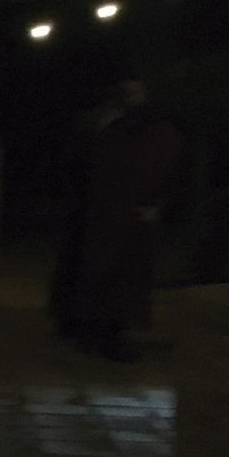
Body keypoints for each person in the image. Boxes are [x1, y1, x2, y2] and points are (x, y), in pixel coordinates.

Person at [56, 80, 185, 361]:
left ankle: (105, 333)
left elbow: (163, 170)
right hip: (103, 213)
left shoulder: (152, 132)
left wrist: (157, 204)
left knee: (119, 276)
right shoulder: (107, 127)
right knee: (102, 273)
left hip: (126, 214)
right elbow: (85, 167)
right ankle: (94, 332)